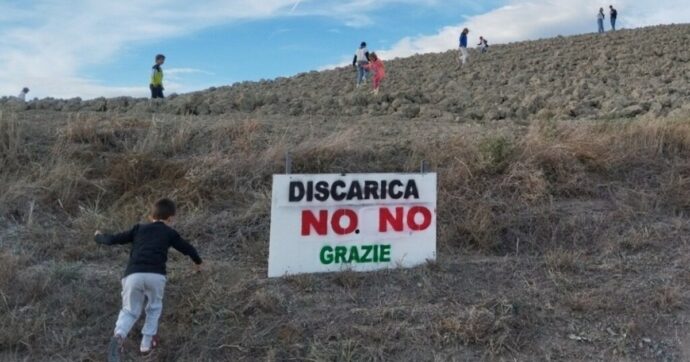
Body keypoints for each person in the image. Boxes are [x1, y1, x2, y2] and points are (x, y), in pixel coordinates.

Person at [95, 198, 203, 360]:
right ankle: (146, 345)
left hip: (133, 275)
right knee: (153, 308)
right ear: (170, 219)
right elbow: (187, 248)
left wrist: (99, 237)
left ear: (150, 216)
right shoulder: (169, 232)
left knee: (130, 310)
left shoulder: (139, 229)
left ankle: (119, 335)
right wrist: (198, 263)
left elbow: (114, 239)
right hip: (155, 276)